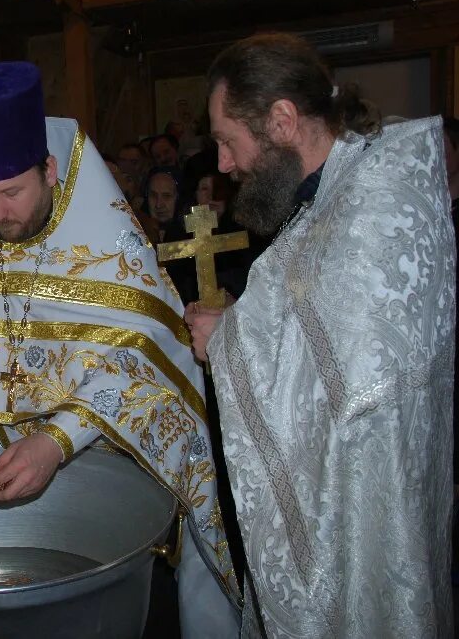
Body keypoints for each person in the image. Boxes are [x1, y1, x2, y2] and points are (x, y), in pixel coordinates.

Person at [0, 61, 241, 637]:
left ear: (49, 170)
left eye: (12, 192)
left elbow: (145, 361)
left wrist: (57, 440)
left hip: (111, 493)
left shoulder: (108, 246)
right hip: (4, 522)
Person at [186, 32, 454, 637]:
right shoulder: (339, 191)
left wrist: (226, 345)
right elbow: (319, 327)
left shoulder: (371, 210)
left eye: (228, 141)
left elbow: (355, 389)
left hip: (372, 518)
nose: (223, 164)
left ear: (282, 121)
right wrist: (242, 323)